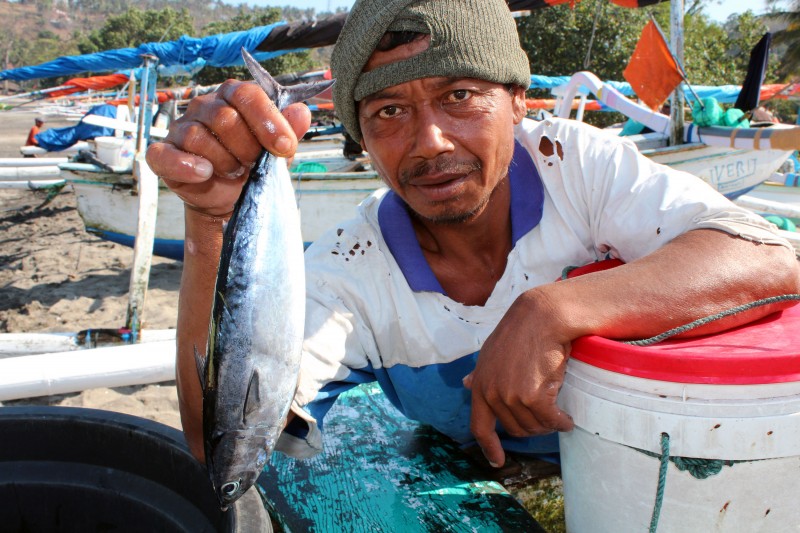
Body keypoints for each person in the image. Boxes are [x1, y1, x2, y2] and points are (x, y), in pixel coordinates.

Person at [146, 0, 800, 470]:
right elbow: (227, 445)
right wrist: (212, 230)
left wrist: (552, 310)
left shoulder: (575, 165)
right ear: (363, 139)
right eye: (390, 111)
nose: (429, 141)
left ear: (518, 101)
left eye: (459, 95)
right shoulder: (351, 269)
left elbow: (768, 255)